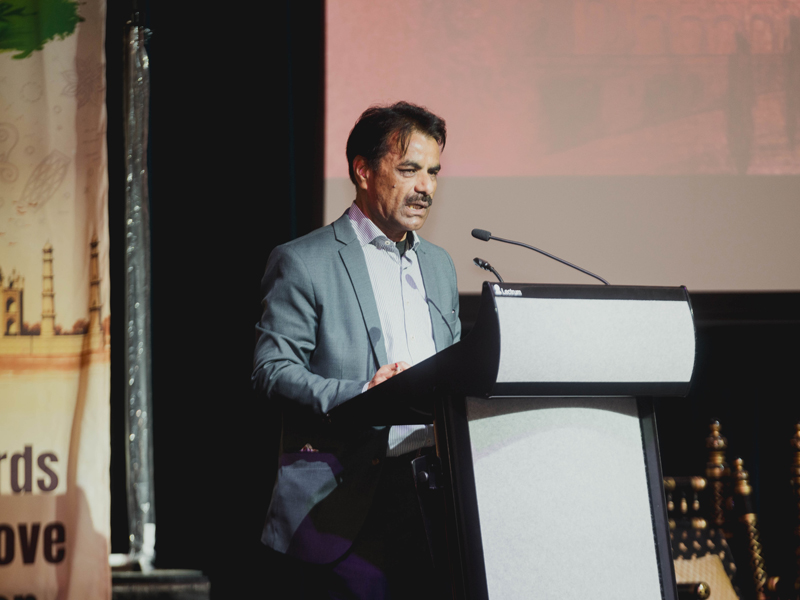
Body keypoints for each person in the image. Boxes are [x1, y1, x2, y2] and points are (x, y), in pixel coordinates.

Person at [253, 101, 460, 598]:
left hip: (434, 501)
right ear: (363, 171)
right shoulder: (304, 261)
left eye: (433, 172)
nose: (426, 187)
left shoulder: (440, 265)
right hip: (346, 505)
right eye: (409, 169)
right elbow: (272, 370)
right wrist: (362, 393)